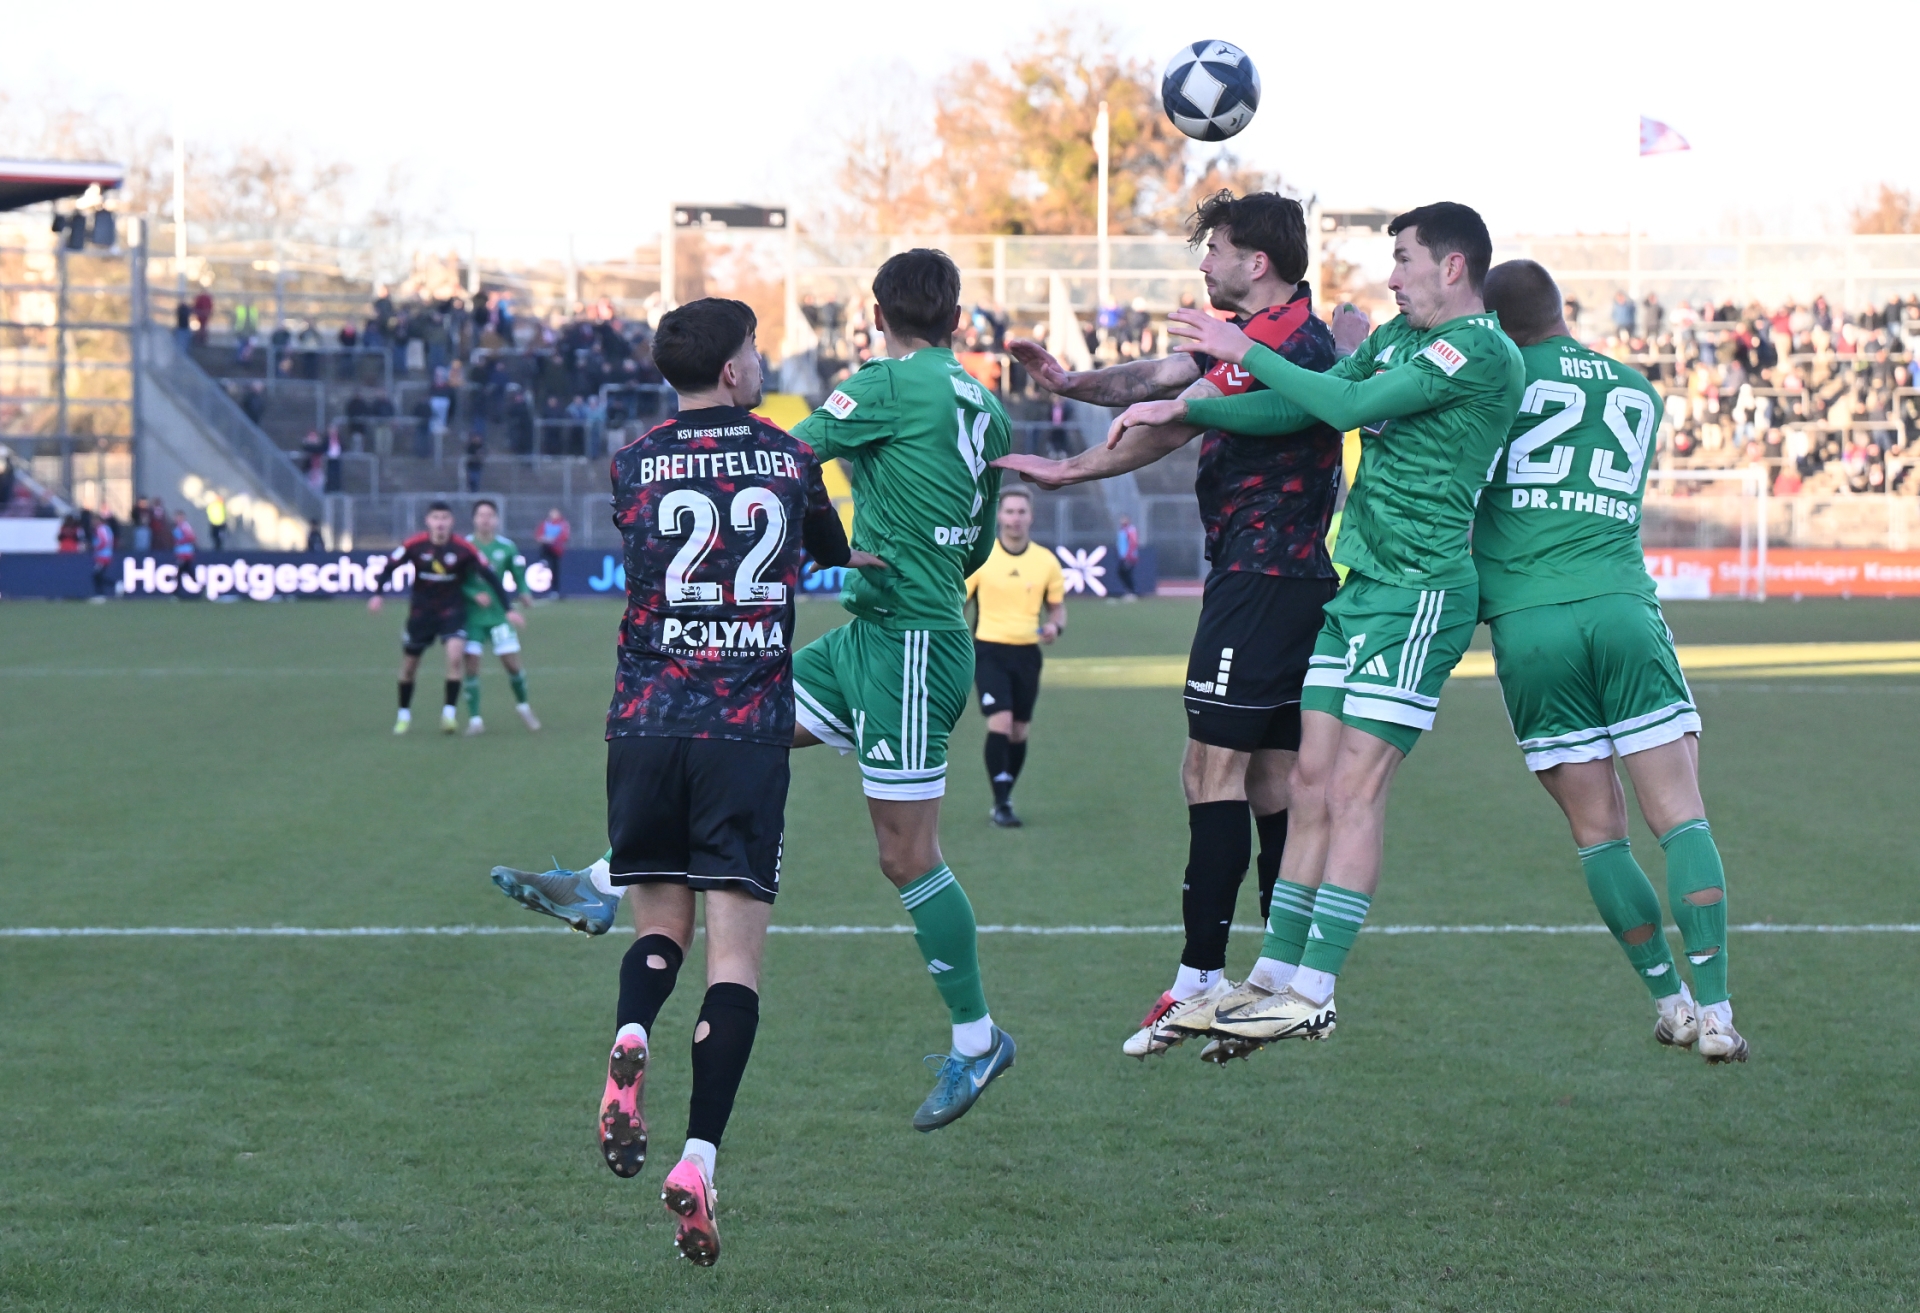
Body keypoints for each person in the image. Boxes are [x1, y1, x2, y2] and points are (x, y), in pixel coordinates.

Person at [493, 253, 1019, 1134]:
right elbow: (977, 541)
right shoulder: (989, 406)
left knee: (906, 855)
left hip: (911, 644)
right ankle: (601, 880)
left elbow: (776, 455)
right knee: (735, 725)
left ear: (876, 314)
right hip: (871, 631)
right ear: (957, 318)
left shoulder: (885, 383)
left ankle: (977, 1037)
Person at [1104, 202, 1523, 1051]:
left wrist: (1243, 351)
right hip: (1358, 584)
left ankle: (1316, 989)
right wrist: (1189, 412)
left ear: (1452, 267)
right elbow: (1306, 409)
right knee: (1305, 784)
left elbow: (1349, 403)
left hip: (1418, 596)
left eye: (1404, 259)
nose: (1390, 276)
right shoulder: (1400, 338)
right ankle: (1271, 979)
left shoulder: (1477, 349)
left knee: (1352, 790)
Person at [502, 298, 860, 1264]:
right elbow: (832, 553)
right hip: (743, 733)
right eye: (756, 350)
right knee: (733, 963)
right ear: (736, 370)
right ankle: (699, 1158)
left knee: (659, 927)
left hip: (645, 724)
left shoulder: (632, 461)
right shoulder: (789, 456)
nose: (761, 363)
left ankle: (632, 1029)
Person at [997, 191, 1349, 1059]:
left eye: (1215, 248)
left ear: (1257, 262)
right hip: (1283, 582)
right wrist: (1069, 384)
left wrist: (1069, 470)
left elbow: (1170, 418)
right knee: (1269, 779)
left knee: (1207, 769)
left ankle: (1199, 978)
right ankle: (1277, 978)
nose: (1204, 263)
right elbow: (1160, 381)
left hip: (1261, 581)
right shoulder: (1261, 337)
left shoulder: (1293, 344)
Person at [1476, 259, 1745, 1061]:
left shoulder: (1490, 383)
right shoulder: (1638, 389)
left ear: (1494, 325)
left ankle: (1671, 1003)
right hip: (1622, 605)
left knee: (1600, 834)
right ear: (1560, 307)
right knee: (1681, 815)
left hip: (1528, 621)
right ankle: (1718, 1011)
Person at [964, 485, 1067, 827]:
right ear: (999, 516)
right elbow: (959, 604)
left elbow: (1057, 609)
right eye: (1009, 511)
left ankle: (1005, 793)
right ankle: (1001, 802)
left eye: (1021, 511)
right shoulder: (982, 558)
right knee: (1001, 722)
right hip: (989, 650)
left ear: (1030, 516)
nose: (1015, 518)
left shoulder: (1045, 561)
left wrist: (1054, 626)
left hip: (1027, 655)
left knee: (1019, 731)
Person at [367, 501, 510, 735]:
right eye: (436, 518)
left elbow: (490, 576)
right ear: (428, 521)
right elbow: (389, 567)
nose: (440, 523)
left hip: (452, 611)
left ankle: (449, 715)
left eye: (444, 518)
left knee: (454, 659)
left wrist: (508, 607)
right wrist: (377, 594)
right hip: (421, 613)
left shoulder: (464, 548)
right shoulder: (414, 545)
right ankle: (403, 715)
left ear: (451, 521)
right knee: (409, 667)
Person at [460, 499, 539, 734]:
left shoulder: (507, 547)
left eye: (489, 515)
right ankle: (475, 720)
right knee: (471, 666)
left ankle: (523, 706)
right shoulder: (464, 546)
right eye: (481, 515)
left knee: (512, 664)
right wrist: (473, 594)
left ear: (496, 519)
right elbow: (456, 580)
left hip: (498, 616)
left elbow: (518, 576)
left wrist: (524, 592)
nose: (485, 520)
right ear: (474, 519)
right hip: (471, 618)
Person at [536, 506, 570, 587]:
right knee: (544, 549)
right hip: (547, 546)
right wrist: (544, 539)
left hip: (557, 549)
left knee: (555, 570)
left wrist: (553, 540)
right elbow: (538, 535)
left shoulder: (563, 524)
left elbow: (565, 536)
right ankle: (544, 560)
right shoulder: (545, 523)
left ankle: (555, 589)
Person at [1113, 514, 1140, 598]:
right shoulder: (1122, 530)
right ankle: (1129, 591)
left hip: (1129, 556)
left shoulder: (1130, 530)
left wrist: (1129, 555)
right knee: (1122, 573)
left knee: (1127, 573)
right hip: (1123, 556)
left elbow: (1133, 542)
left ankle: (1131, 592)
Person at [90, 513, 116, 600]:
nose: (93, 522)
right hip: (105, 555)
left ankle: (101, 594)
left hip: (103, 556)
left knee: (97, 575)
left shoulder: (101, 529)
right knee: (98, 575)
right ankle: (101, 594)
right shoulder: (107, 529)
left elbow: (103, 542)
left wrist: (95, 547)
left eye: (94, 520)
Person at [171, 510, 198, 589]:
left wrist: (180, 542)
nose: (176, 518)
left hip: (185, 553)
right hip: (180, 552)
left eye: (178, 517)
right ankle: (200, 586)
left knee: (182, 570)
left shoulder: (184, 527)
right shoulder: (177, 527)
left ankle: (177, 590)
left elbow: (191, 538)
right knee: (186, 570)